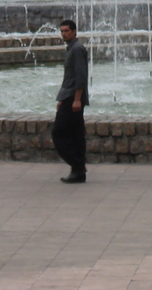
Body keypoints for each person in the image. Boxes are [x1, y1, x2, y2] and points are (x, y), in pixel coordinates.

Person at [52, 19, 89, 183]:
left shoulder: (77, 49)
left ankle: (77, 165)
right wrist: (61, 98)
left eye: (66, 31)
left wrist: (76, 100)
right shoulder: (71, 49)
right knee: (75, 134)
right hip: (68, 97)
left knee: (58, 132)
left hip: (73, 98)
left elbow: (81, 77)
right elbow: (69, 77)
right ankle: (78, 171)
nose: (63, 34)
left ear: (74, 31)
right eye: (62, 31)